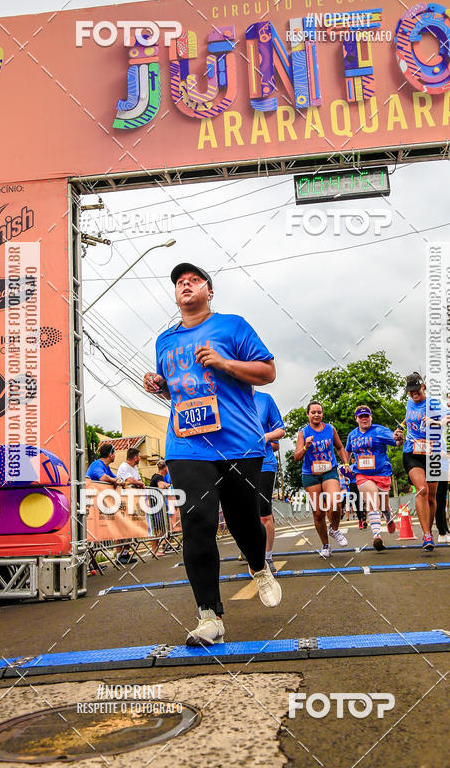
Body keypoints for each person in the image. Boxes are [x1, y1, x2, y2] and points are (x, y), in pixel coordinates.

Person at [143, 262, 282, 646]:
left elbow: (267, 372)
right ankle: (209, 616)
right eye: (179, 282)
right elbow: (177, 391)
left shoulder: (233, 326)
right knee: (197, 521)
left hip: (238, 441)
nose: (185, 285)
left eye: (193, 280)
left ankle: (259, 566)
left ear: (209, 290)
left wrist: (224, 363)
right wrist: (158, 385)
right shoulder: (164, 341)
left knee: (244, 522)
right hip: (186, 444)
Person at [395, 372, 445, 551]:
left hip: (433, 453)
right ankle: (426, 535)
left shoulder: (434, 403)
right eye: (410, 392)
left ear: (423, 386)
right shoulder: (409, 403)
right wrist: (399, 431)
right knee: (421, 489)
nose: (414, 394)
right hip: (412, 452)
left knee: (431, 496)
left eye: (416, 390)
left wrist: (435, 422)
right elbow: (407, 419)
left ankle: (428, 530)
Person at [294, 400, 350, 557]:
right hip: (310, 475)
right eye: (313, 412)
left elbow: (339, 447)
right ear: (308, 414)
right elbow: (297, 457)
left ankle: (335, 529)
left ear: (322, 414)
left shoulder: (330, 429)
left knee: (335, 501)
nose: (316, 414)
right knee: (318, 513)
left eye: (319, 412)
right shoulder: (303, 432)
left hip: (329, 471)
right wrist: (306, 446)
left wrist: (345, 463)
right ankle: (325, 545)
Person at [345, 405, 402, 551]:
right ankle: (377, 536)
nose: (364, 419)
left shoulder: (380, 430)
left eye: (366, 416)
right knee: (372, 502)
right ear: (356, 419)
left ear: (371, 417)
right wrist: (346, 464)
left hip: (382, 473)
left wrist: (399, 438)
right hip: (362, 475)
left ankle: (388, 515)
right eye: (361, 416)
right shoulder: (352, 435)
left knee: (383, 505)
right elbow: (347, 451)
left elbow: (396, 442)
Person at [253, 388, 286, 574]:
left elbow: (280, 430)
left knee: (264, 513)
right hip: (237, 464)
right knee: (246, 513)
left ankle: (267, 557)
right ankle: (251, 550)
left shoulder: (265, 400)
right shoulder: (228, 396)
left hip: (264, 463)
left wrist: (264, 437)